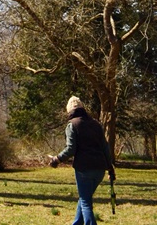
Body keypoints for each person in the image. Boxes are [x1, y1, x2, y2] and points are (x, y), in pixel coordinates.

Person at [49, 96, 116, 225]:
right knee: (84, 198)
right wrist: (110, 168)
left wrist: (56, 159)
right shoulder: (96, 124)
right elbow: (105, 147)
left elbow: (70, 149)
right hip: (99, 170)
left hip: (84, 170)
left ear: (69, 111)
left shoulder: (72, 125)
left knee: (86, 203)